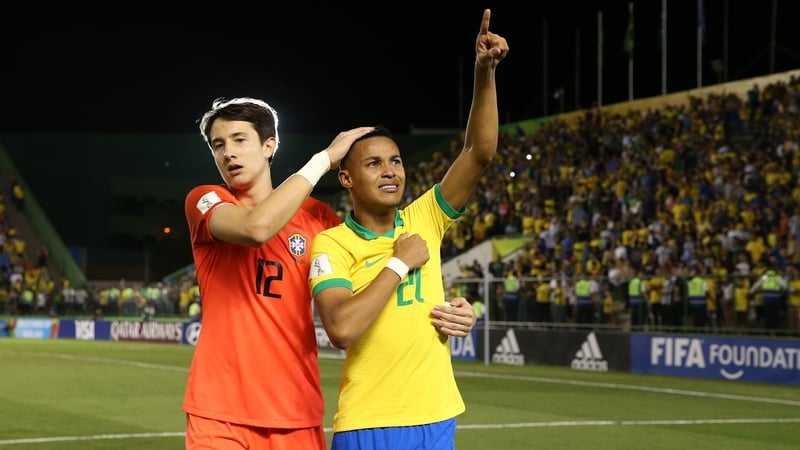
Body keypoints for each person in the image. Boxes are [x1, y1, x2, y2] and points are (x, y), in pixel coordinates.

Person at [308, 9, 508, 449]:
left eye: (395, 161)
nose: (390, 172)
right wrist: (398, 263)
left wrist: (484, 72)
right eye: (374, 163)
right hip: (371, 422)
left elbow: (479, 151)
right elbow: (341, 329)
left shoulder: (424, 217)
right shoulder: (332, 243)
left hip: (437, 417)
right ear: (346, 179)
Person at [182, 96, 374, 450]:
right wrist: (323, 161)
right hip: (218, 413)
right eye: (218, 145)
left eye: (240, 140)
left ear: (269, 145)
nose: (228, 153)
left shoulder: (318, 217)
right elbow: (256, 228)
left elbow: (369, 280)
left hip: (295, 413)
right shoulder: (205, 200)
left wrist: (445, 308)